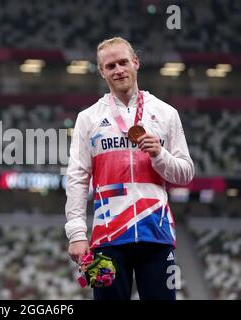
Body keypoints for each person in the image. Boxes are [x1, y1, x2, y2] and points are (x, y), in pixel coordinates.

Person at [65, 37, 194, 300]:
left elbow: (185, 173)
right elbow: (77, 178)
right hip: (108, 237)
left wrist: (159, 154)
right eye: (110, 66)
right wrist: (76, 233)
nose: (118, 70)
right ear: (101, 72)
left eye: (123, 62)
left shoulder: (166, 113)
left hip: (156, 234)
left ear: (136, 62)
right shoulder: (87, 118)